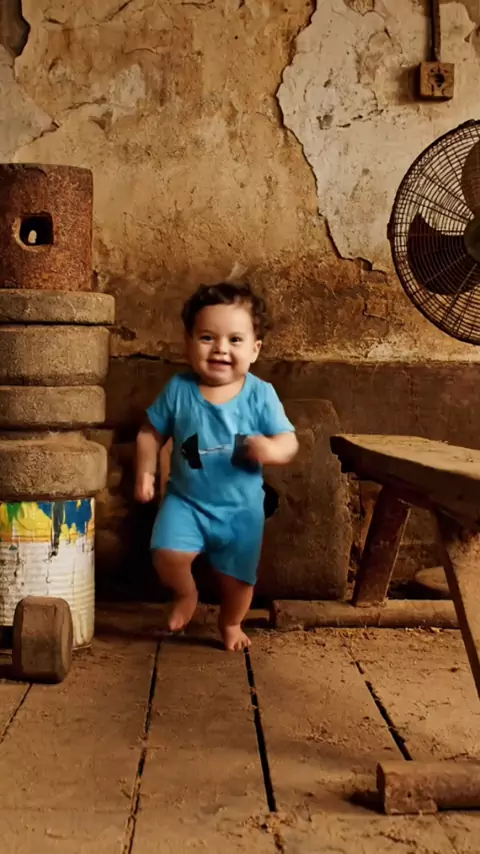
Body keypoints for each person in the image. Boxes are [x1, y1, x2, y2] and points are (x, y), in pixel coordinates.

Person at [135, 282, 298, 651]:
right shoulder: (179, 389)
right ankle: (186, 593)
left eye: (235, 340)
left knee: (239, 582)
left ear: (255, 349)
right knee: (166, 553)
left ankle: (231, 622)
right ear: (189, 343)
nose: (221, 348)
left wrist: (271, 448)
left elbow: (289, 441)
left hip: (241, 511)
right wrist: (145, 473)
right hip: (186, 501)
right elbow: (149, 433)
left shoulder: (260, 394)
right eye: (207, 337)